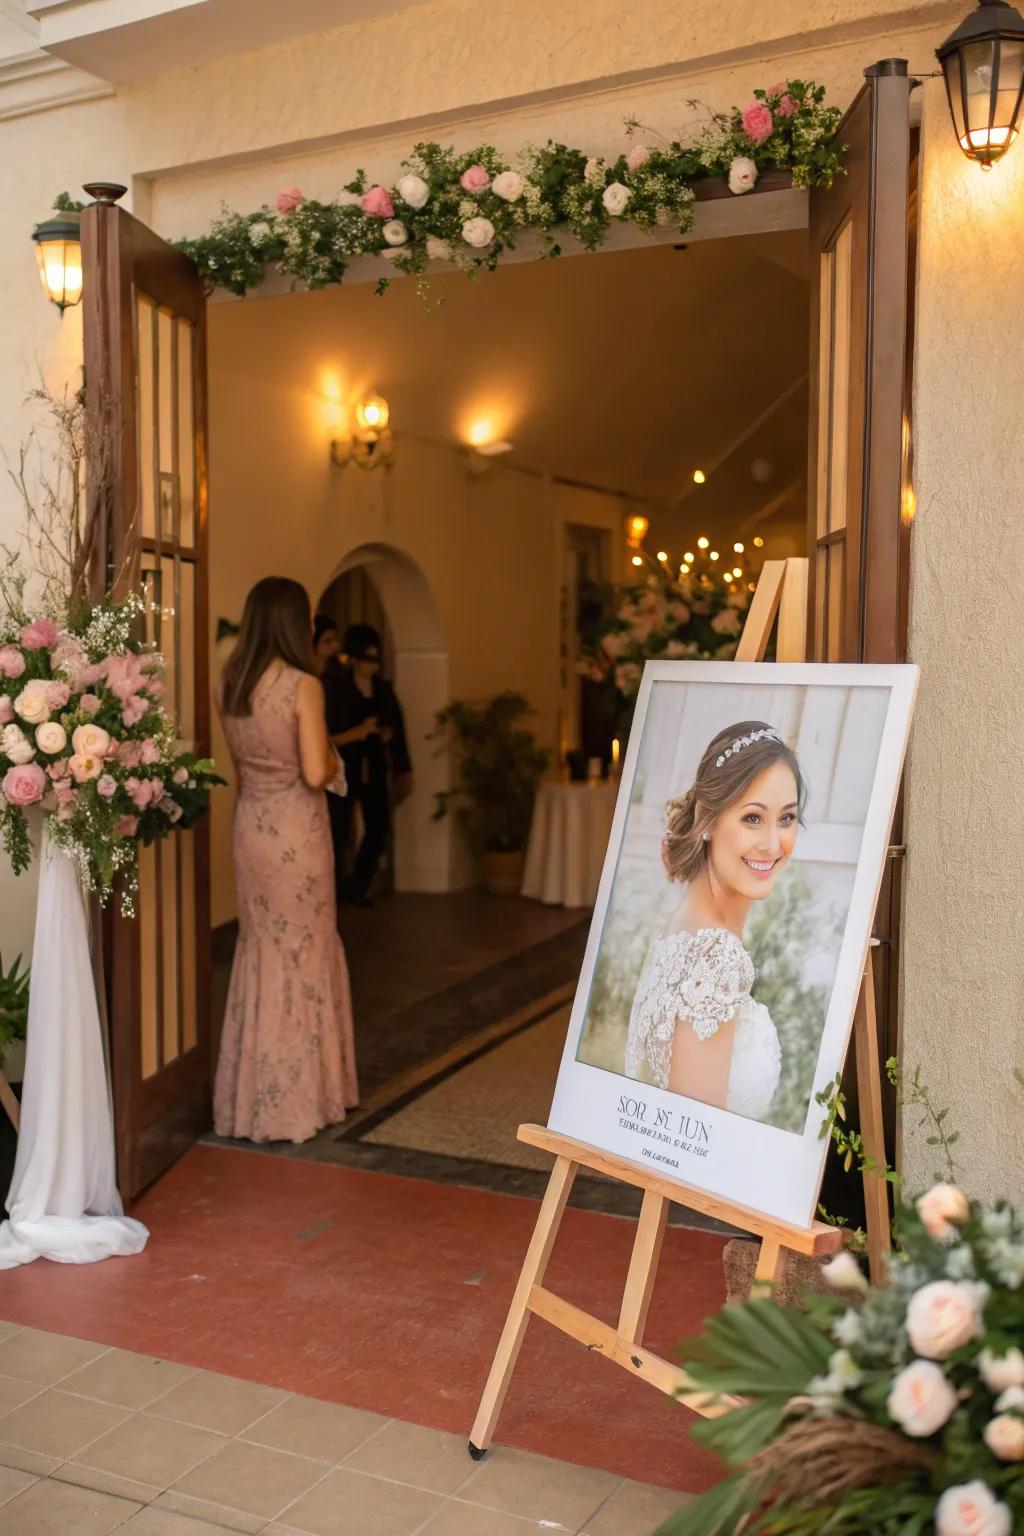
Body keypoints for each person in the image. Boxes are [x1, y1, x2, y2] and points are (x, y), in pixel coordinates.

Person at [214, 577, 358, 1142]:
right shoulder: (303, 685)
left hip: (251, 827)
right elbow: (316, 772)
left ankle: (251, 1104)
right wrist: (330, 748)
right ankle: (301, 1101)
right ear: (296, 623)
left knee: (261, 951)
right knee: (303, 950)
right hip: (298, 833)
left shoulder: (230, 682)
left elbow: (243, 762)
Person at [624, 721, 806, 1121]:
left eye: (787, 818)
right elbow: (694, 1145)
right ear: (708, 817)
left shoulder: (683, 923)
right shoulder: (716, 957)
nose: (774, 844)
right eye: (753, 818)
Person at [323, 622, 412, 906]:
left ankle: (356, 886)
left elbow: (398, 729)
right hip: (344, 767)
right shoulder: (337, 689)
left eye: (375, 659)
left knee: (378, 826)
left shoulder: (384, 690)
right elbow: (328, 734)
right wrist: (358, 733)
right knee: (338, 831)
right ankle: (332, 891)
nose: (371, 665)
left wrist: (402, 766)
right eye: (367, 658)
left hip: (373, 765)